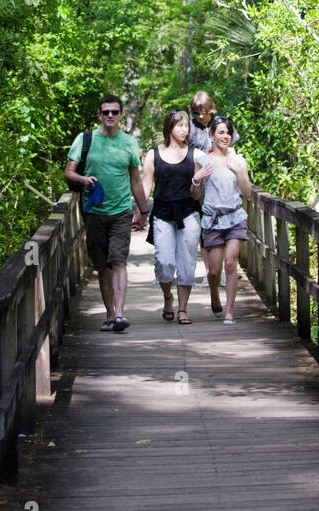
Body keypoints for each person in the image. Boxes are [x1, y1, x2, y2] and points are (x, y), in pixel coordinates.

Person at [64, 94, 149, 333]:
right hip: (94, 211)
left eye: (114, 111)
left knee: (118, 260)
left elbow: (135, 180)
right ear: (100, 115)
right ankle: (110, 314)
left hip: (121, 210)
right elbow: (68, 172)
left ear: (121, 114)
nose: (110, 115)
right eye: (105, 112)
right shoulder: (85, 139)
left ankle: (120, 313)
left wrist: (143, 211)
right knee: (103, 266)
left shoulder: (129, 143)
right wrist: (84, 179)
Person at [141, 109, 207, 324]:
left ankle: (183, 309)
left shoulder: (195, 154)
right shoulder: (153, 154)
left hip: (189, 214)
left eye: (186, 125)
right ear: (169, 127)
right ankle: (168, 297)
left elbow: (197, 194)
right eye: (180, 125)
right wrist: (140, 212)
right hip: (162, 213)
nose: (184, 129)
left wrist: (196, 180)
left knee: (187, 262)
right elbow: (146, 185)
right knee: (164, 262)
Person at [191, 116, 252, 325]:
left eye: (228, 133)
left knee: (230, 262)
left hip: (234, 217)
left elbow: (248, 193)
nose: (225, 136)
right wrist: (196, 179)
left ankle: (229, 312)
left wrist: (239, 172)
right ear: (212, 135)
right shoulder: (203, 161)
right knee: (214, 270)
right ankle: (215, 295)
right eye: (220, 132)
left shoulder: (239, 160)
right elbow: (195, 195)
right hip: (212, 220)